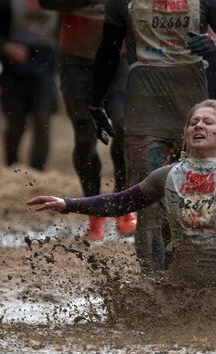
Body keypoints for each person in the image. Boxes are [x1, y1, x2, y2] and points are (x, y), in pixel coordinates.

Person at [28, 99, 216, 302]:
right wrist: (68, 204)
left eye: (208, 122)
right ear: (186, 135)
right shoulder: (167, 176)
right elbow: (120, 202)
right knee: (133, 301)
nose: (198, 125)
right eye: (193, 122)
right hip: (179, 288)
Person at [87, 0, 216, 273]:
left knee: (197, 199)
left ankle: (198, 273)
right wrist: (95, 102)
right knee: (150, 201)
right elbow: (109, 50)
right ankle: (154, 284)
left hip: (192, 118)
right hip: (144, 117)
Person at [38, 0, 136, 240]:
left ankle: (122, 203)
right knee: (85, 136)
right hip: (76, 60)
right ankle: (95, 212)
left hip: (118, 56)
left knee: (124, 125)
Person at [0, 0, 59, 170]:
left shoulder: (65, 6)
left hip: (44, 73)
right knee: (15, 125)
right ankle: (11, 166)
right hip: (13, 74)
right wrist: (6, 46)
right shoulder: (7, 5)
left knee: (42, 118)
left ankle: (38, 171)